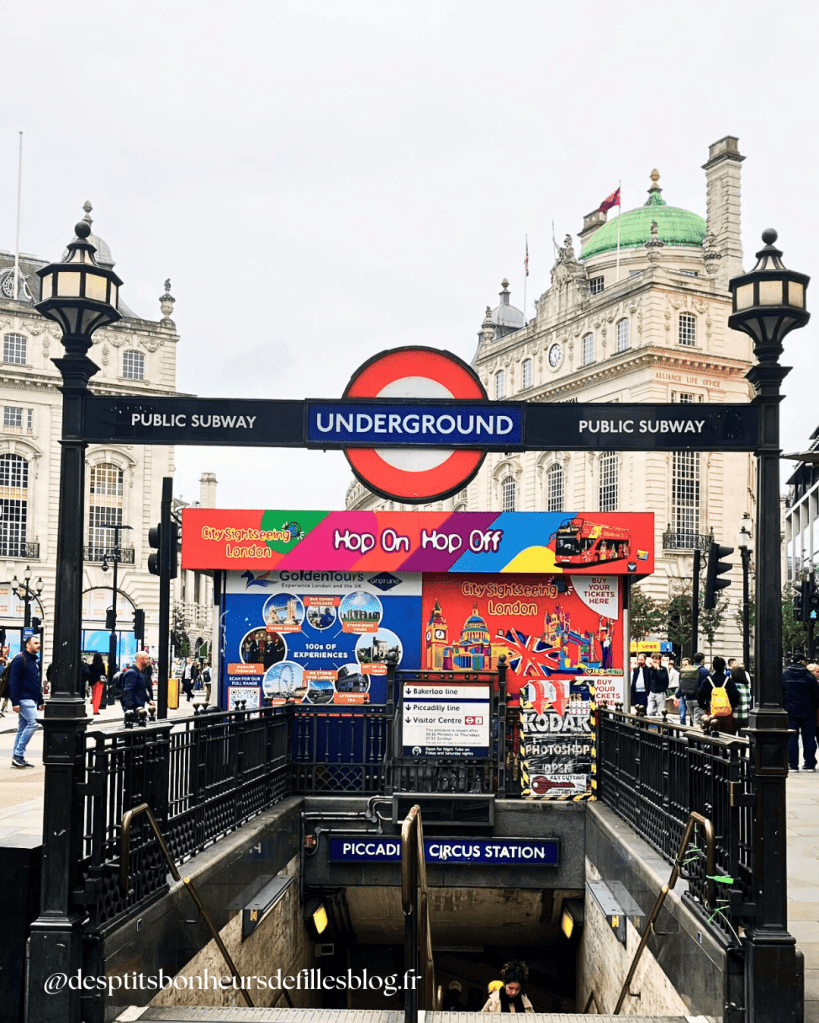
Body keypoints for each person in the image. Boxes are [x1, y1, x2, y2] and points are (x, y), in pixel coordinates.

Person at [9, 635, 43, 768]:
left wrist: (40, 700)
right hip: (24, 698)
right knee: (34, 722)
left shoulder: (34, 661)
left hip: (31, 698)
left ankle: (17, 757)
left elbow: (36, 682)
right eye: (35, 643)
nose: (38, 645)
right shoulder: (20, 659)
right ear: (28, 645)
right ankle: (18, 754)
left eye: (39, 643)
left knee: (22, 727)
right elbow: (13, 682)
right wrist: (15, 701)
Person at [782, 655, 819, 772]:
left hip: (790, 709)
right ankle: (809, 763)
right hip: (808, 709)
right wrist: (813, 706)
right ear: (802, 662)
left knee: (792, 737)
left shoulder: (784, 675)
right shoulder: (809, 676)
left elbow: (780, 692)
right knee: (809, 737)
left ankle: (792, 764)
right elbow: (816, 695)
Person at [697, 655, 740, 734]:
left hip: (712, 712)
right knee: (727, 734)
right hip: (726, 712)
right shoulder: (728, 680)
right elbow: (736, 695)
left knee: (711, 733)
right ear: (724, 667)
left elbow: (700, 694)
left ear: (713, 667)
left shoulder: (708, 680)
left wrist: (704, 706)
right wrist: (732, 705)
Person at [121, 652, 155, 717]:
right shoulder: (132, 673)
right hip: (134, 708)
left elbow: (141, 689)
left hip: (139, 707)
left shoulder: (139, 672)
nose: (149, 661)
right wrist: (129, 708)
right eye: (147, 658)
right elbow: (128, 691)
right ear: (141, 659)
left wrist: (148, 699)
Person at [730, 663, 752, 733]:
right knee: (742, 735)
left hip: (734, 715)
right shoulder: (747, 687)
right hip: (745, 715)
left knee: (732, 735)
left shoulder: (733, 686)